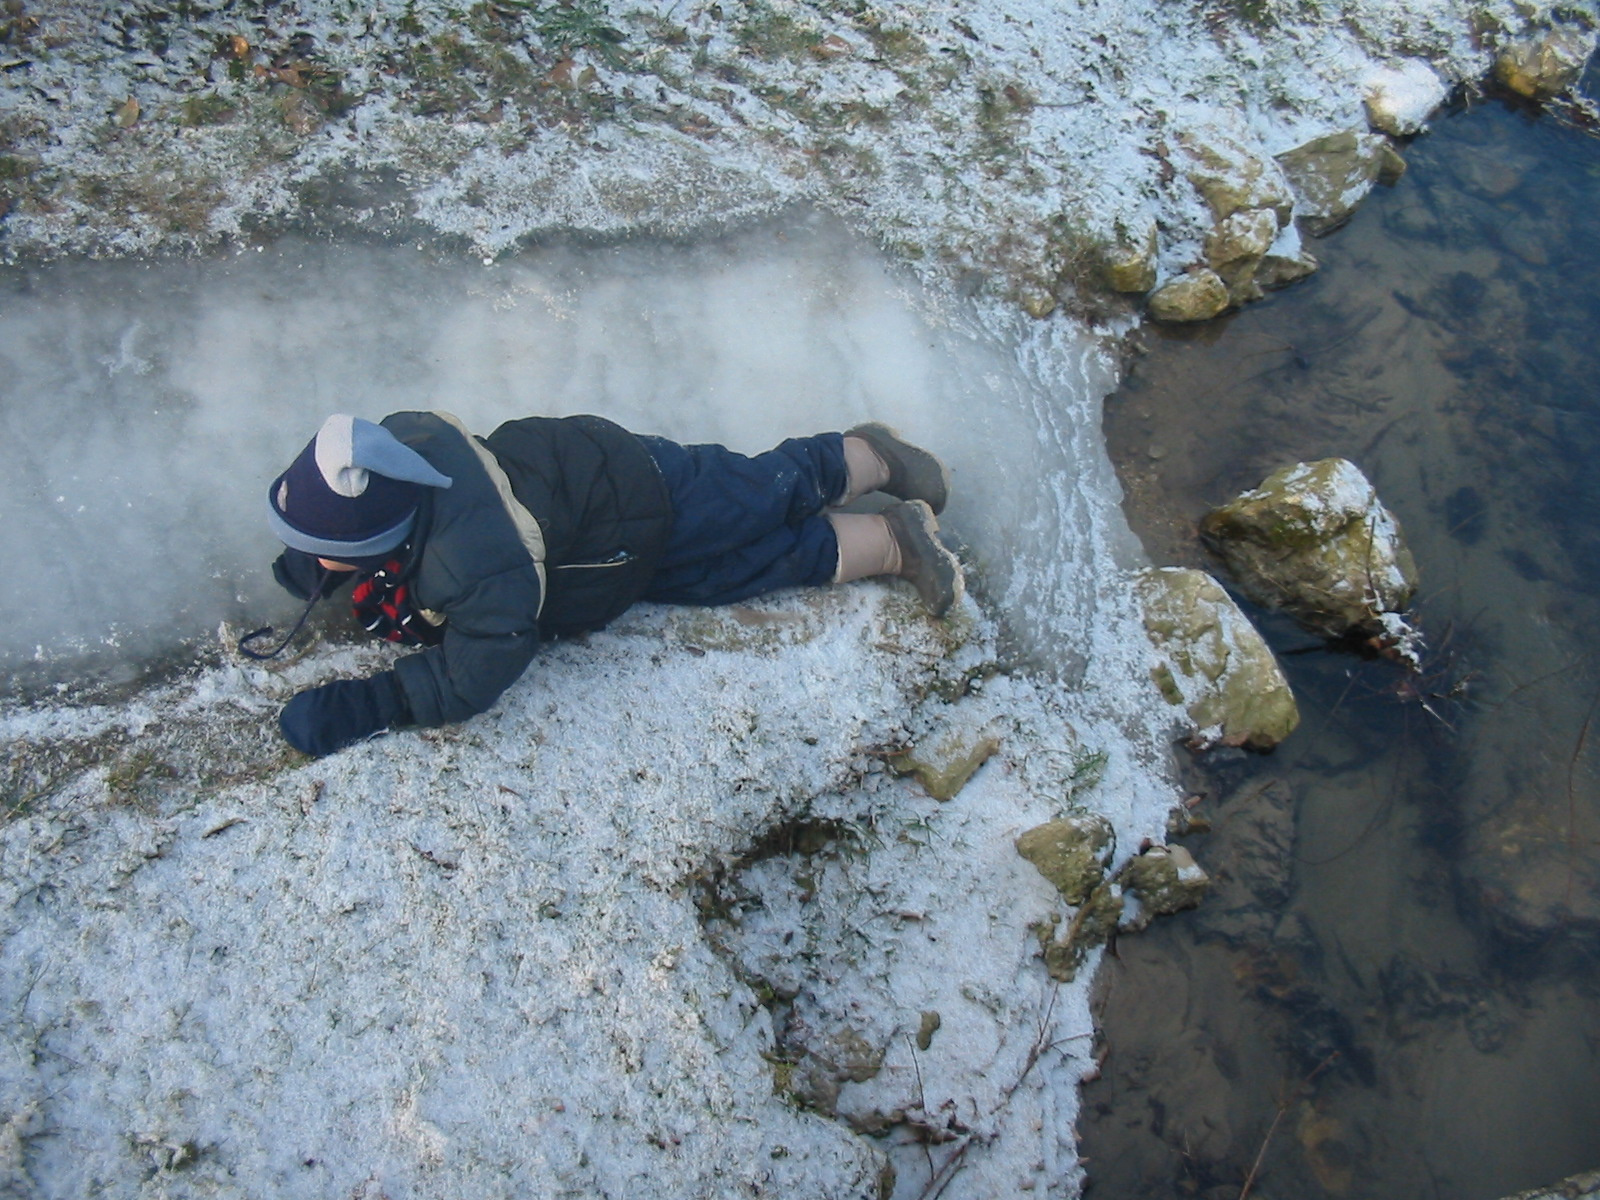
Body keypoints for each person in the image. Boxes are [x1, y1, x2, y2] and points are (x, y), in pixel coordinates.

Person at [254, 411, 963, 757]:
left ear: (380, 543)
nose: (313, 560)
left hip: (632, 487)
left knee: (756, 493)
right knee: (738, 570)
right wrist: (315, 563)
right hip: (610, 558)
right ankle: (893, 543)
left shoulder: (477, 570)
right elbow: (353, 520)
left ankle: (866, 457)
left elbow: (473, 673)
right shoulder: (405, 464)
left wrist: (374, 700)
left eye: (324, 551)